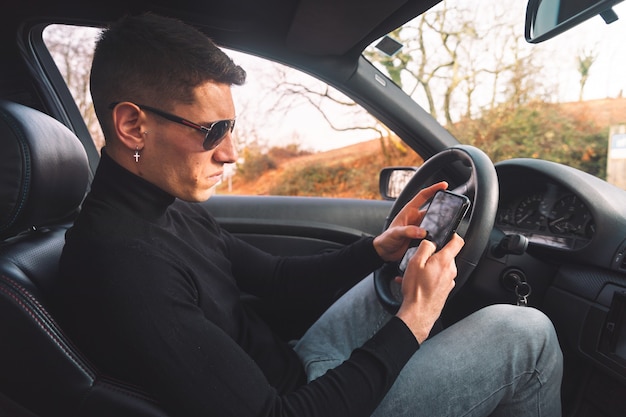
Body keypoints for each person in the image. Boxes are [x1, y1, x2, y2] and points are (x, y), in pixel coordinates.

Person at [54, 12, 563, 417]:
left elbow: (275, 277)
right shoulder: (122, 263)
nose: (231, 154)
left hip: (295, 367)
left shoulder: (166, 207)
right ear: (132, 126)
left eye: (231, 129)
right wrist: (414, 320)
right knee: (526, 335)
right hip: (304, 403)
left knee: (387, 274)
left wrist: (377, 248)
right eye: (211, 133)